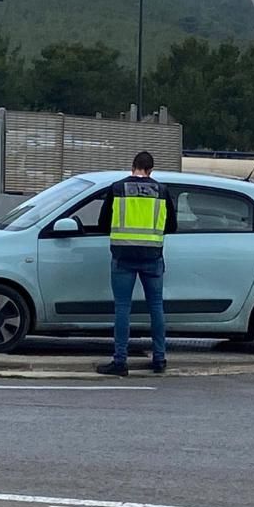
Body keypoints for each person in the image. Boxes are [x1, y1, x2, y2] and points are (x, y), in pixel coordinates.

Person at [97, 152, 177, 377]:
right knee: (156, 307)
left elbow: (103, 223)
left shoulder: (117, 188)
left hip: (123, 256)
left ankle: (120, 361)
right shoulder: (162, 191)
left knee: (122, 308)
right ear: (151, 170)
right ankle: (159, 359)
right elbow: (172, 226)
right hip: (152, 256)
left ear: (132, 167)